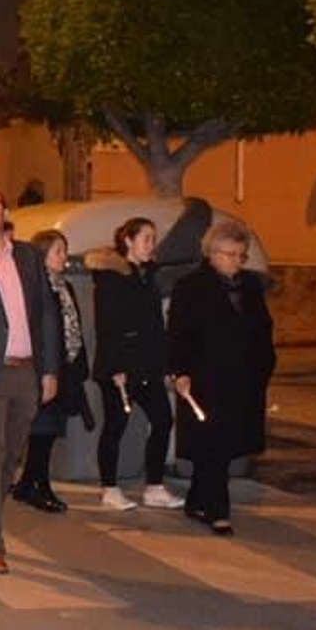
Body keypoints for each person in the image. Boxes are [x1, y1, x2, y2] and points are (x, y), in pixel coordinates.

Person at [0, 188, 60, 573]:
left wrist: (50, 369)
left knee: (11, 456)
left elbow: (46, 313)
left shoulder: (28, 256)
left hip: (26, 370)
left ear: (5, 211)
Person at [166, 220, 275, 536]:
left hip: (243, 379)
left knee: (222, 447)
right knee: (213, 444)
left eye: (241, 255)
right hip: (205, 379)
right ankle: (217, 510)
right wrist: (179, 370)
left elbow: (262, 328)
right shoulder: (191, 286)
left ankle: (198, 499)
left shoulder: (251, 286)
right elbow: (178, 333)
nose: (235, 261)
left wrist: (265, 364)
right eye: (229, 254)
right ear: (211, 252)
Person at [86, 217, 186, 512]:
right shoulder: (111, 277)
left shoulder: (147, 276)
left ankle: (154, 487)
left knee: (163, 420)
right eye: (146, 238)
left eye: (154, 239)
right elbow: (108, 325)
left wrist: (167, 364)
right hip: (119, 368)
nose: (151, 245)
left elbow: (154, 325)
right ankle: (110, 488)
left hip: (147, 366)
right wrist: (116, 368)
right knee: (116, 426)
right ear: (128, 241)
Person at [12, 229, 89, 513]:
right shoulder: (35, 288)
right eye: (58, 251)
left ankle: (28, 483)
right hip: (43, 370)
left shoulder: (63, 286)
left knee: (49, 430)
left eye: (65, 251)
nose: (64, 257)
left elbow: (74, 329)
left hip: (65, 368)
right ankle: (38, 485)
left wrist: (79, 365)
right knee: (42, 430)